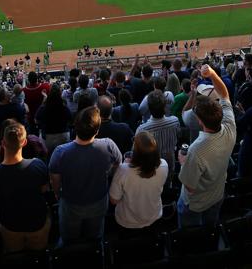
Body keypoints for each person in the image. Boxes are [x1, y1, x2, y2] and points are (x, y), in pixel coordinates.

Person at [49, 106, 121, 245]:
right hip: (98, 203)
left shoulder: (60, 152)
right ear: (97, 130)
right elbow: (118, 164)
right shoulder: (109, 146)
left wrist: (58, 194)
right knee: (95, 238)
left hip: (71, 205)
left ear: (75, 127)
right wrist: (109, 174)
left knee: (69, 240)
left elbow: (55, 180)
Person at [177, 65, 236, 227]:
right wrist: (212, 74)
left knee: (191, 237)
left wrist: (183, 161)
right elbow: (224, 94)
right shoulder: (230, 126)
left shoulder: (196, 150)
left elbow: (189, 187)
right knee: (211, 230)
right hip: (217, 195)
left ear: (200, 121)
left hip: (195, 204)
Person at [0, 122, 50, 253]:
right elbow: (44, 189)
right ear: (24, 142)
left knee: (15, 260)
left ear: (3, 143)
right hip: (38, 224)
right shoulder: (39, 165)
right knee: (39, 258)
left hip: (10, 228)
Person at [109, 131, 169, 233]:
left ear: (135, 152)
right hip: (154, 217)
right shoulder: (164, 165)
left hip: (127, 222)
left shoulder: (123, 170)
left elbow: (114, 200)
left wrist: (126, 166)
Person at [136, 90, 180, 172]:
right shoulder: (175, 121)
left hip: (151, 166)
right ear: (164, 106)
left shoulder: (141, 130)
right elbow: (178, 135)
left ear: (149, 108)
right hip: (170, 163)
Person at [35, 83, 72, 153]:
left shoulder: (44, 107)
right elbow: (70, 119)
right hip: (63, 137)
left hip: (48, 139)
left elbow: (36, 120)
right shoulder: (64, 106)